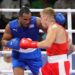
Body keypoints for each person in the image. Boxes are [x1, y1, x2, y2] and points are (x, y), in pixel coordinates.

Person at [1, 6, 66, 75]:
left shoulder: (36, 21)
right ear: (19, 17)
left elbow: (50, 30)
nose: (28, 21)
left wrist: (57, 24)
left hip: (34, 54)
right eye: (25, 19)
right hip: (18, 55)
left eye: (29, 19)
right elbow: (3, 41)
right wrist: (10, 43)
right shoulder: (11, 26)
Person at [20, 7, 70, 75]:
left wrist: (30, 44)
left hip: (59, 65)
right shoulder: (58, 28)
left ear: (45, 18)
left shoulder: (53, 28)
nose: (41, 20)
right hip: (51, 63)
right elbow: (71, 48)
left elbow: (47, 44)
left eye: (41, 17)